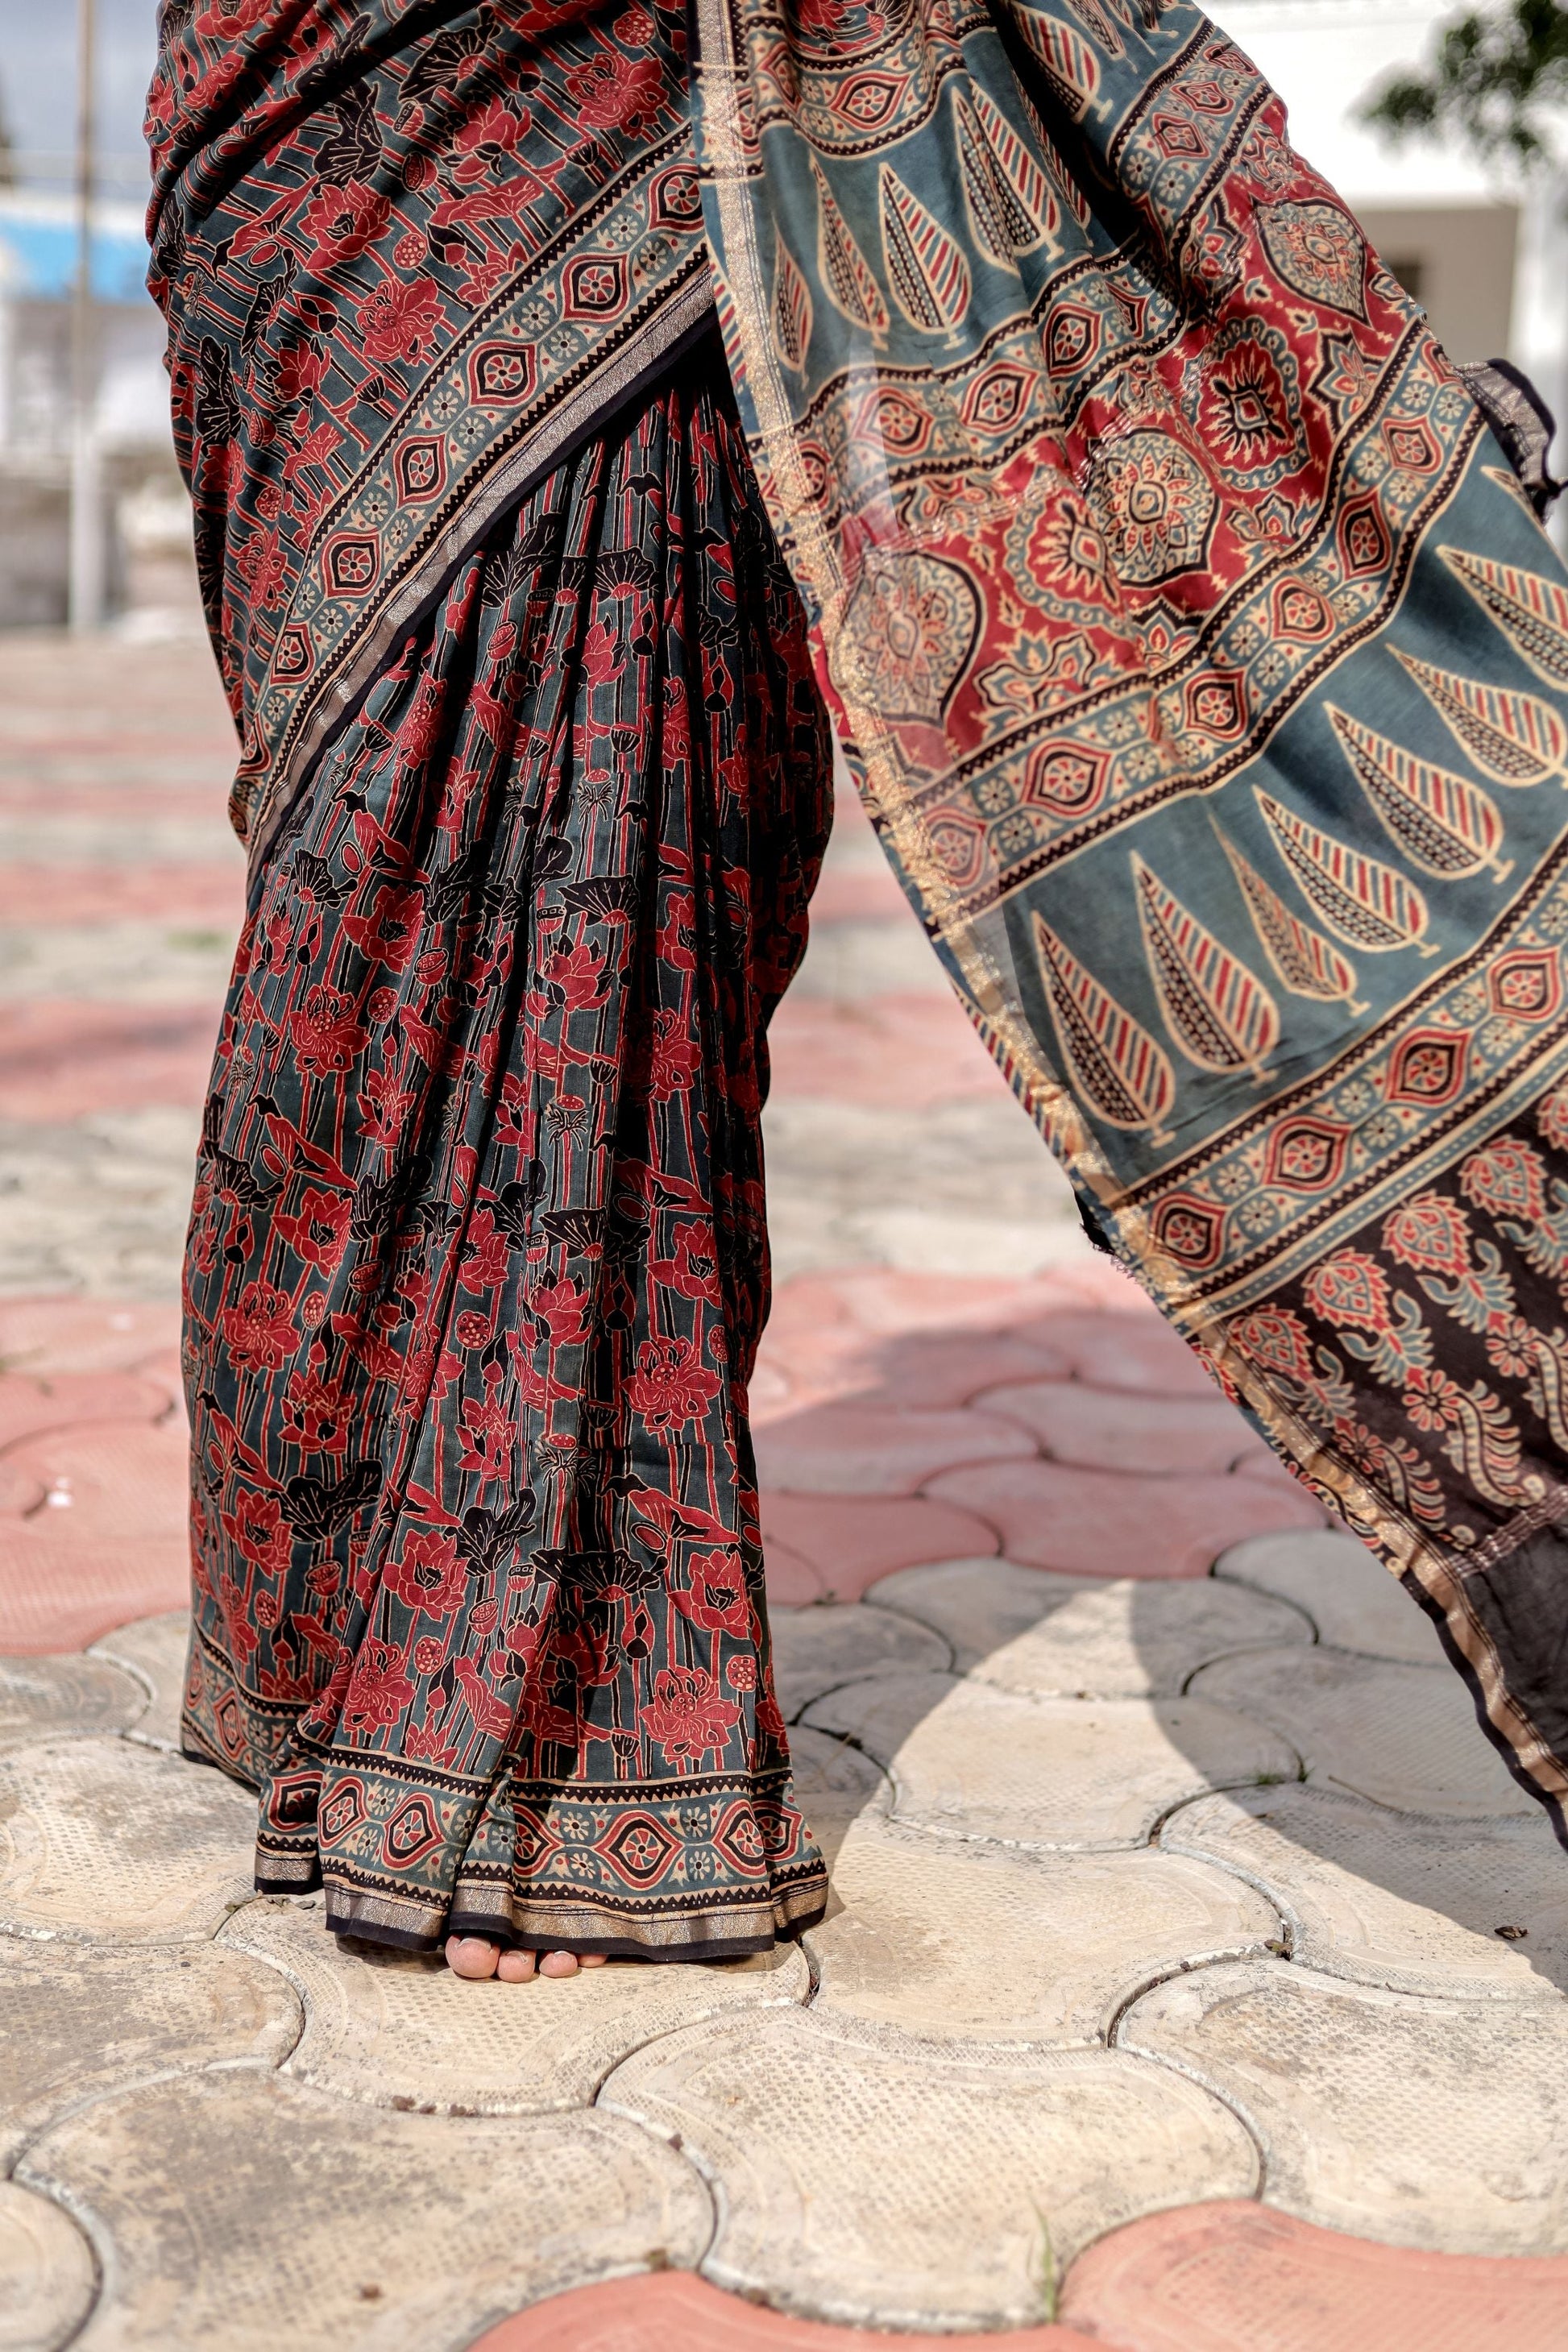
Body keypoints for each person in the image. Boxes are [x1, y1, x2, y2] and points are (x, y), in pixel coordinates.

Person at [148, 0, 1568, 1989]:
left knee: (599, 929)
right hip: (317, 151)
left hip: (632, 153)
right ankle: (346, 1674)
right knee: (361, 890)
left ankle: (535, 1735)